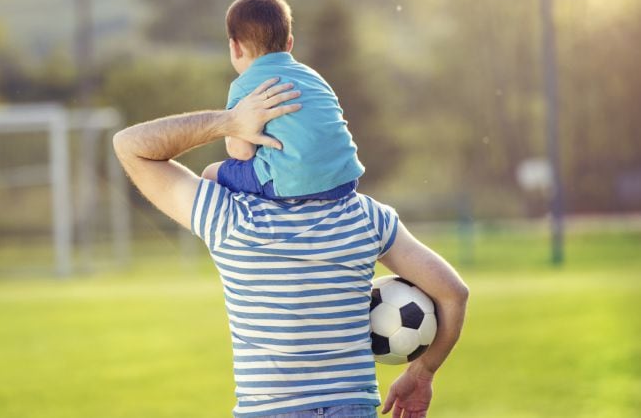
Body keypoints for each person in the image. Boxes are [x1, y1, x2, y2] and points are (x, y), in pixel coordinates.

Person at [113, 78, 468, 418]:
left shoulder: (228, 217)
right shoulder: (366, 217)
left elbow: (130, 146)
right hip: (352, 407)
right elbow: (453, 294)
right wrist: (422, 374)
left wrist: (227, 122)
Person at [201, 0, 364, 201]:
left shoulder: (244, 86)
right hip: (344, 179)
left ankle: (242, 230)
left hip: (291, 181)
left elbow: (242, 153)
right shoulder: (313, 76)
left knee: (210, 175)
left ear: (235, 47)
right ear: (289, 43)